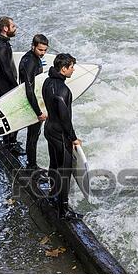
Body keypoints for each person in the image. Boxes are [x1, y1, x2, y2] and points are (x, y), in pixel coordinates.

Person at [42, 53, 82, 220]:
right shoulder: (64, 90)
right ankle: (63, 210)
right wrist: (73, 138)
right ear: (64, 69)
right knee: (65, 171)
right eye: (71, 67)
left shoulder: (47, 81)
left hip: (49, 129)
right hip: (60, 134)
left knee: (54, 165)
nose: (73, 69)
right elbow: (65, 119)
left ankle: (52, 196)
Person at [0, 16, 25, 155]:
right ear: (5, 28)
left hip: (3, 82)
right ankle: (10, 144)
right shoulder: (1, 47)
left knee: (10, 113)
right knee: (13, 115)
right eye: (13, 26)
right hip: (6, 84)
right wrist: (17, 87)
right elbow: (6, 70)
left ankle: (10, 141)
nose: (15, 28)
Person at [18, 34, 49, 171]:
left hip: (32, 100)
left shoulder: (31, 57)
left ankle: (32, 164)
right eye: (40, 50)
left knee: (33, 135)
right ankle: (32, 166)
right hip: (31, 102)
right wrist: (38, 112)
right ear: (33, 46)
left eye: (44, 50)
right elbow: (29, 89)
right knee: (33, 136)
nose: (42, 53)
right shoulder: (30, 62)